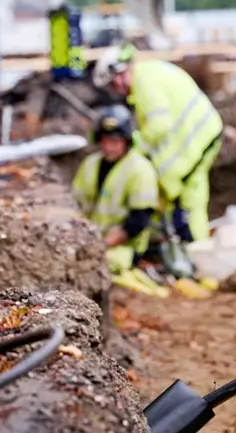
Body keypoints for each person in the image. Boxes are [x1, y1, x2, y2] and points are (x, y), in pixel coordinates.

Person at [92, 43, 223, 243]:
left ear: (120, 73)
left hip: (196, 141)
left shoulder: (144, 82)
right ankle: (192, 244)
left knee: (189, 204)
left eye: (113, 84)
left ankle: (196, 248)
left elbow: (159, 125)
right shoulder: (148, 74)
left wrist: (135, 147)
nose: (116, 90)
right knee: (189, 198)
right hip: (201, 136)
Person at [72, 104, 160, 274]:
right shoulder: (90, 164)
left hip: (122, 249)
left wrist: (103, 245)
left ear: (126, 141)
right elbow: (75, 204)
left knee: (90, 269)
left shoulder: (140, 169)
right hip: (89, 241)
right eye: (104, 141)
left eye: (114, 142)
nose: (108, 147)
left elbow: (138, 220)